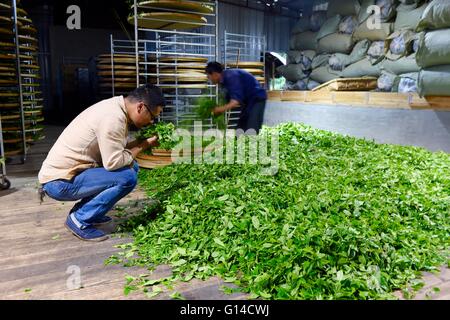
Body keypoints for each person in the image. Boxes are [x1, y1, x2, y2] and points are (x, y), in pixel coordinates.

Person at [38, 84, 165, 242]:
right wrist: (143, 145)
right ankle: (80, 219)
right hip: (59, 182)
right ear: (140, 107)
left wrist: (142, 141)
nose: (152, 122)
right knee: (127, 177)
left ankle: (91, 212)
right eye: (152, 116)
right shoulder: (113, 118)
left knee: (132, 167)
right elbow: (113, 162)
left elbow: (117, 149)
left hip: (68, 175)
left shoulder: (116, 108)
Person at [205, 61, 267, 133]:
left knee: (252, 127)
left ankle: (252, 143)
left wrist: (220, 109)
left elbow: (235, 102)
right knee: (241, 128)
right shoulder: (223, 80)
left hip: (257, 99)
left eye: (209, 77)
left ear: (215, 74)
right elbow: (230, 98)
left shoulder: (230, 76)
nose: (209, 79)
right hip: (248, 102)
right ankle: (239, 143)